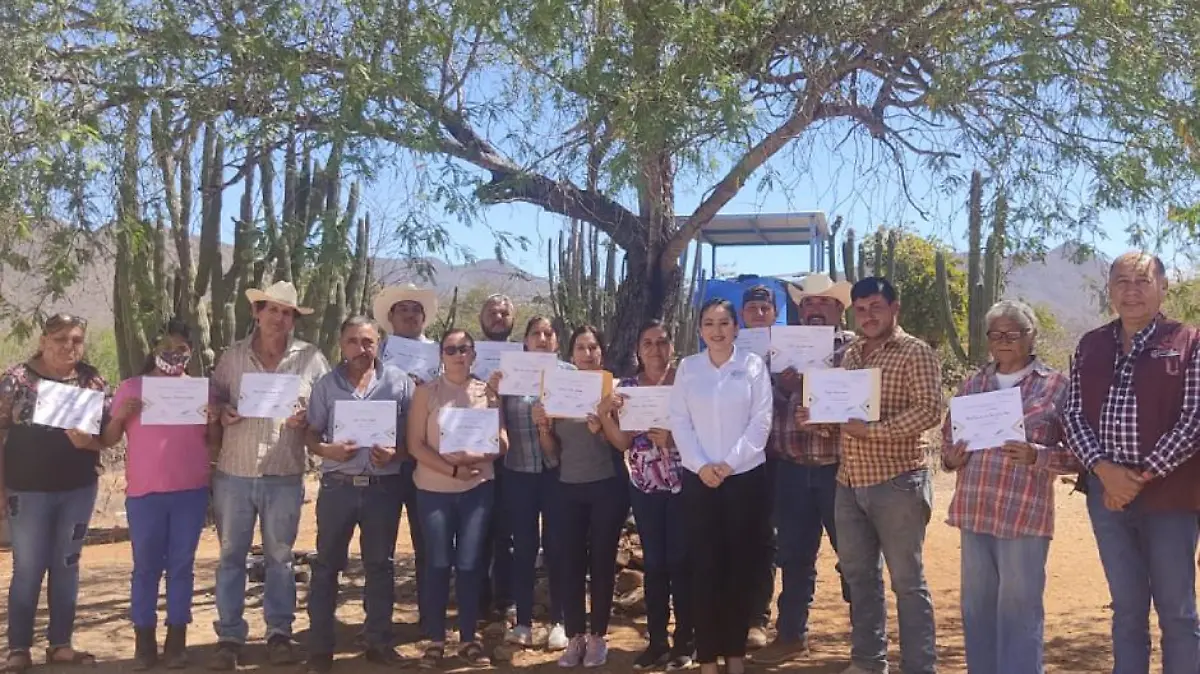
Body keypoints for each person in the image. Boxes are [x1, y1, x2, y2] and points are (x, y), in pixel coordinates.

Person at [1063, 252, 1200, 674]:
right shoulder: (1091, 344)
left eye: (1142, 281)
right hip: (1107, 498)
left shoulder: (1189, 342)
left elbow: (1194, 420)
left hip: (1170, 497)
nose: (1132, 291)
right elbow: (1072, 414)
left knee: (1177, 613)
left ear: (1163, 288)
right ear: (1110, 290)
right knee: (1126, 611)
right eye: (1122, 282)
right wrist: (1105, 471)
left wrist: (1139, 477)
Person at [941, 300, 1075, 674]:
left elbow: (1077, 454)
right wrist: (952, 458)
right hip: (974, 511)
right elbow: (947, 442)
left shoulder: (1056, 386)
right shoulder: (973, 384)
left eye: (1012, 334)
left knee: (1020, 610)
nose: (1003, 341)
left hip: (1023, 515)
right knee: (976, 607)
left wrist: (1038, 456)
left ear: (1031, 337)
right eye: (996, 334)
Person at [208, 282, 330, 670]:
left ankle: (279, 632)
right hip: (235, 471)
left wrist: (308, 418)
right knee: (231, 556)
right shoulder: (233, 356)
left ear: (294, 319)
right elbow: (214, 395)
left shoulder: (311, 358)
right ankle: (230, 635)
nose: (279, 318)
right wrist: (222, 410)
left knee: (280, 557)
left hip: (284, 472)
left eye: (287, 312)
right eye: (272, 310)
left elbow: (327, 406)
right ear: (257, 313)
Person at [825, 277, 942, 674]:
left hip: (898, 481)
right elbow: (846, 416)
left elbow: (929, 410)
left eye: (876, 306)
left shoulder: (915, 352)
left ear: (895, 308)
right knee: (859, 578)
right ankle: (868, 661)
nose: (868, 316)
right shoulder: (851, 355)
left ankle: (919, 666)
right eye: (860, 309)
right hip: (849, 481)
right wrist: (820, 418)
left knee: (907, 582)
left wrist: (873, 431)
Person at [101, 320, 222, 670]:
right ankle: (143, 643)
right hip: (145, 493)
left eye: (181, 348)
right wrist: (119, 417)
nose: (174, 354)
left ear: (191, 352)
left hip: (190, 492)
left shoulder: (201, 391)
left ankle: (176, 642)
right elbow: (108, 439)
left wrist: (214, 420)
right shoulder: (132, 388)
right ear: (153, 350)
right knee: (146, 568)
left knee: (182, 566)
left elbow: (214, 443)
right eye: (167, 347)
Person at [1, 313, 113, 673]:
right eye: (60, 339)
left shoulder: (93, 381)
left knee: (66, 565)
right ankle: (19, 648)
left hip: (77, 490)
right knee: (28, 567)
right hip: (27, 491)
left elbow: (108, 437)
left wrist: (89, 442)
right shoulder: (16, 380)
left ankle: (60, 644)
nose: (69, 346)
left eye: (76, 339)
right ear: (43, 341)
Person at [302, 316, 414, 674]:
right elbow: (311, 434)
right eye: (353, 341)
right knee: (326, 567)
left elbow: (414, 437)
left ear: (378, 343)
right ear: (341, 345)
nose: (361, 348)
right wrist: (328, 450)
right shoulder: (326, 385)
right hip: (339, 487)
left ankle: (378, 643)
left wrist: (395, 454)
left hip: (383, 489)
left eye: (367, 341)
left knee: (380, 566)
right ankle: (320, 649)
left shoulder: (399, 383)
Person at [668, 298, 773, 674]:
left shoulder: (753, 366)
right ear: (699, 329)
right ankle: (708, 658)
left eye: (724, 323)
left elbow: (761, 422)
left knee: (740, 568)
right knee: (704, 568)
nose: (717, 330)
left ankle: (735, 655)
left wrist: (729, 464)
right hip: (700, 481)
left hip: (744, 479)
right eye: (709, 323)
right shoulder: (688, 368)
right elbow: (680, 422)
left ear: (736, 328)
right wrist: (701, 466)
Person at [755, 274, 854, 666]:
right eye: (808, 302)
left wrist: (815, 388)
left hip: (840, 470)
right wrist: (783, 388)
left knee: (854, 556)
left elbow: (860, 405)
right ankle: (791, 634)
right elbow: (760, 406)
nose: (815, 308)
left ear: (839, 309)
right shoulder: (778, 351)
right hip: (791, 469)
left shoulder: (854, 350)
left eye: (824, 302)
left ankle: (866, 641)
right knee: (794, 556)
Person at [406, 329, 508, 668]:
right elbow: (415, 445)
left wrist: (477, 457)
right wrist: (452, 470)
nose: (458, 355)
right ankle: (435, 639)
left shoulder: (487, 392)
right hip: (433, 490)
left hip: (477, 489)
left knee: (469, 564)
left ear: (473, 354)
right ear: (441, 355)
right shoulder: (425, 393)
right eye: (451, 349)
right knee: (437, 563)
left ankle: (468, 638)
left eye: (464, 349)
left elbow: (502, 441)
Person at [532, 325, 629, 668]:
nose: (587, 354)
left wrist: (601, 428)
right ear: (571, 354)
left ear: (602, 351)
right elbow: (552, 451)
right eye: (581, 348)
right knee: (569, 563)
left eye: (593, 347)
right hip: (566, 488)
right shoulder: (557, 390)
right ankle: (575, 637)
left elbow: (623, 445)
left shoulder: (615, 390)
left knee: (602, 562)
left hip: (607, 487)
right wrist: (543, 427)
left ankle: (598, 637)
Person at [606, 320, 694, 671]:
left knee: (682, 562)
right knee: (655, 564)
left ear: (672, 346)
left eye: (661, 342)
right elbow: (622, 442)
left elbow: (706, 430)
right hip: (645, 487)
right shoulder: (628, 389)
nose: (655, 349)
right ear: (638, 351)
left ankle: (685, 642)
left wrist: (674, 438)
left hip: (686, 485)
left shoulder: (687, 382)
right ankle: (657, 641)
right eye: (648, 343)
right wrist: (606, 414)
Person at [490, 317, 571, 652]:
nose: (542, 338)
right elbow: (495, 421)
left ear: (557, 341)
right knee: (523, 548)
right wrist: (493, 393)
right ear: (524, 340)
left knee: (558, 547)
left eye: (549, 334)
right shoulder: (509, 375)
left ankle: (560, 622)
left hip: (558, 474)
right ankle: (523, 622)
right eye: (536, 333)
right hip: (518, 472)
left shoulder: (569, 375)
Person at [738, 284, 780, 651]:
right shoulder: (728, 351)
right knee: (738, 536)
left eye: (765, 308)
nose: (759, 313)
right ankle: (734, 614)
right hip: (738, 460)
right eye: (752, 308)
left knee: (769, 538)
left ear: (776, 313)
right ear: (742, 315)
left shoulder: (794, 349)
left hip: (782, 458)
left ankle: (758, 618)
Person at [476, 294, 515, 623]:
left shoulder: (525, 356)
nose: (498, 317)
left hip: (514, 457)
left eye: (504, 313)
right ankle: (476, 599)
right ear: (481, 318)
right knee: (476, 529)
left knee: (506, 531)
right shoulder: (466, 354)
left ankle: (505, 599)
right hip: (473, 452)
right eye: (492, 312)